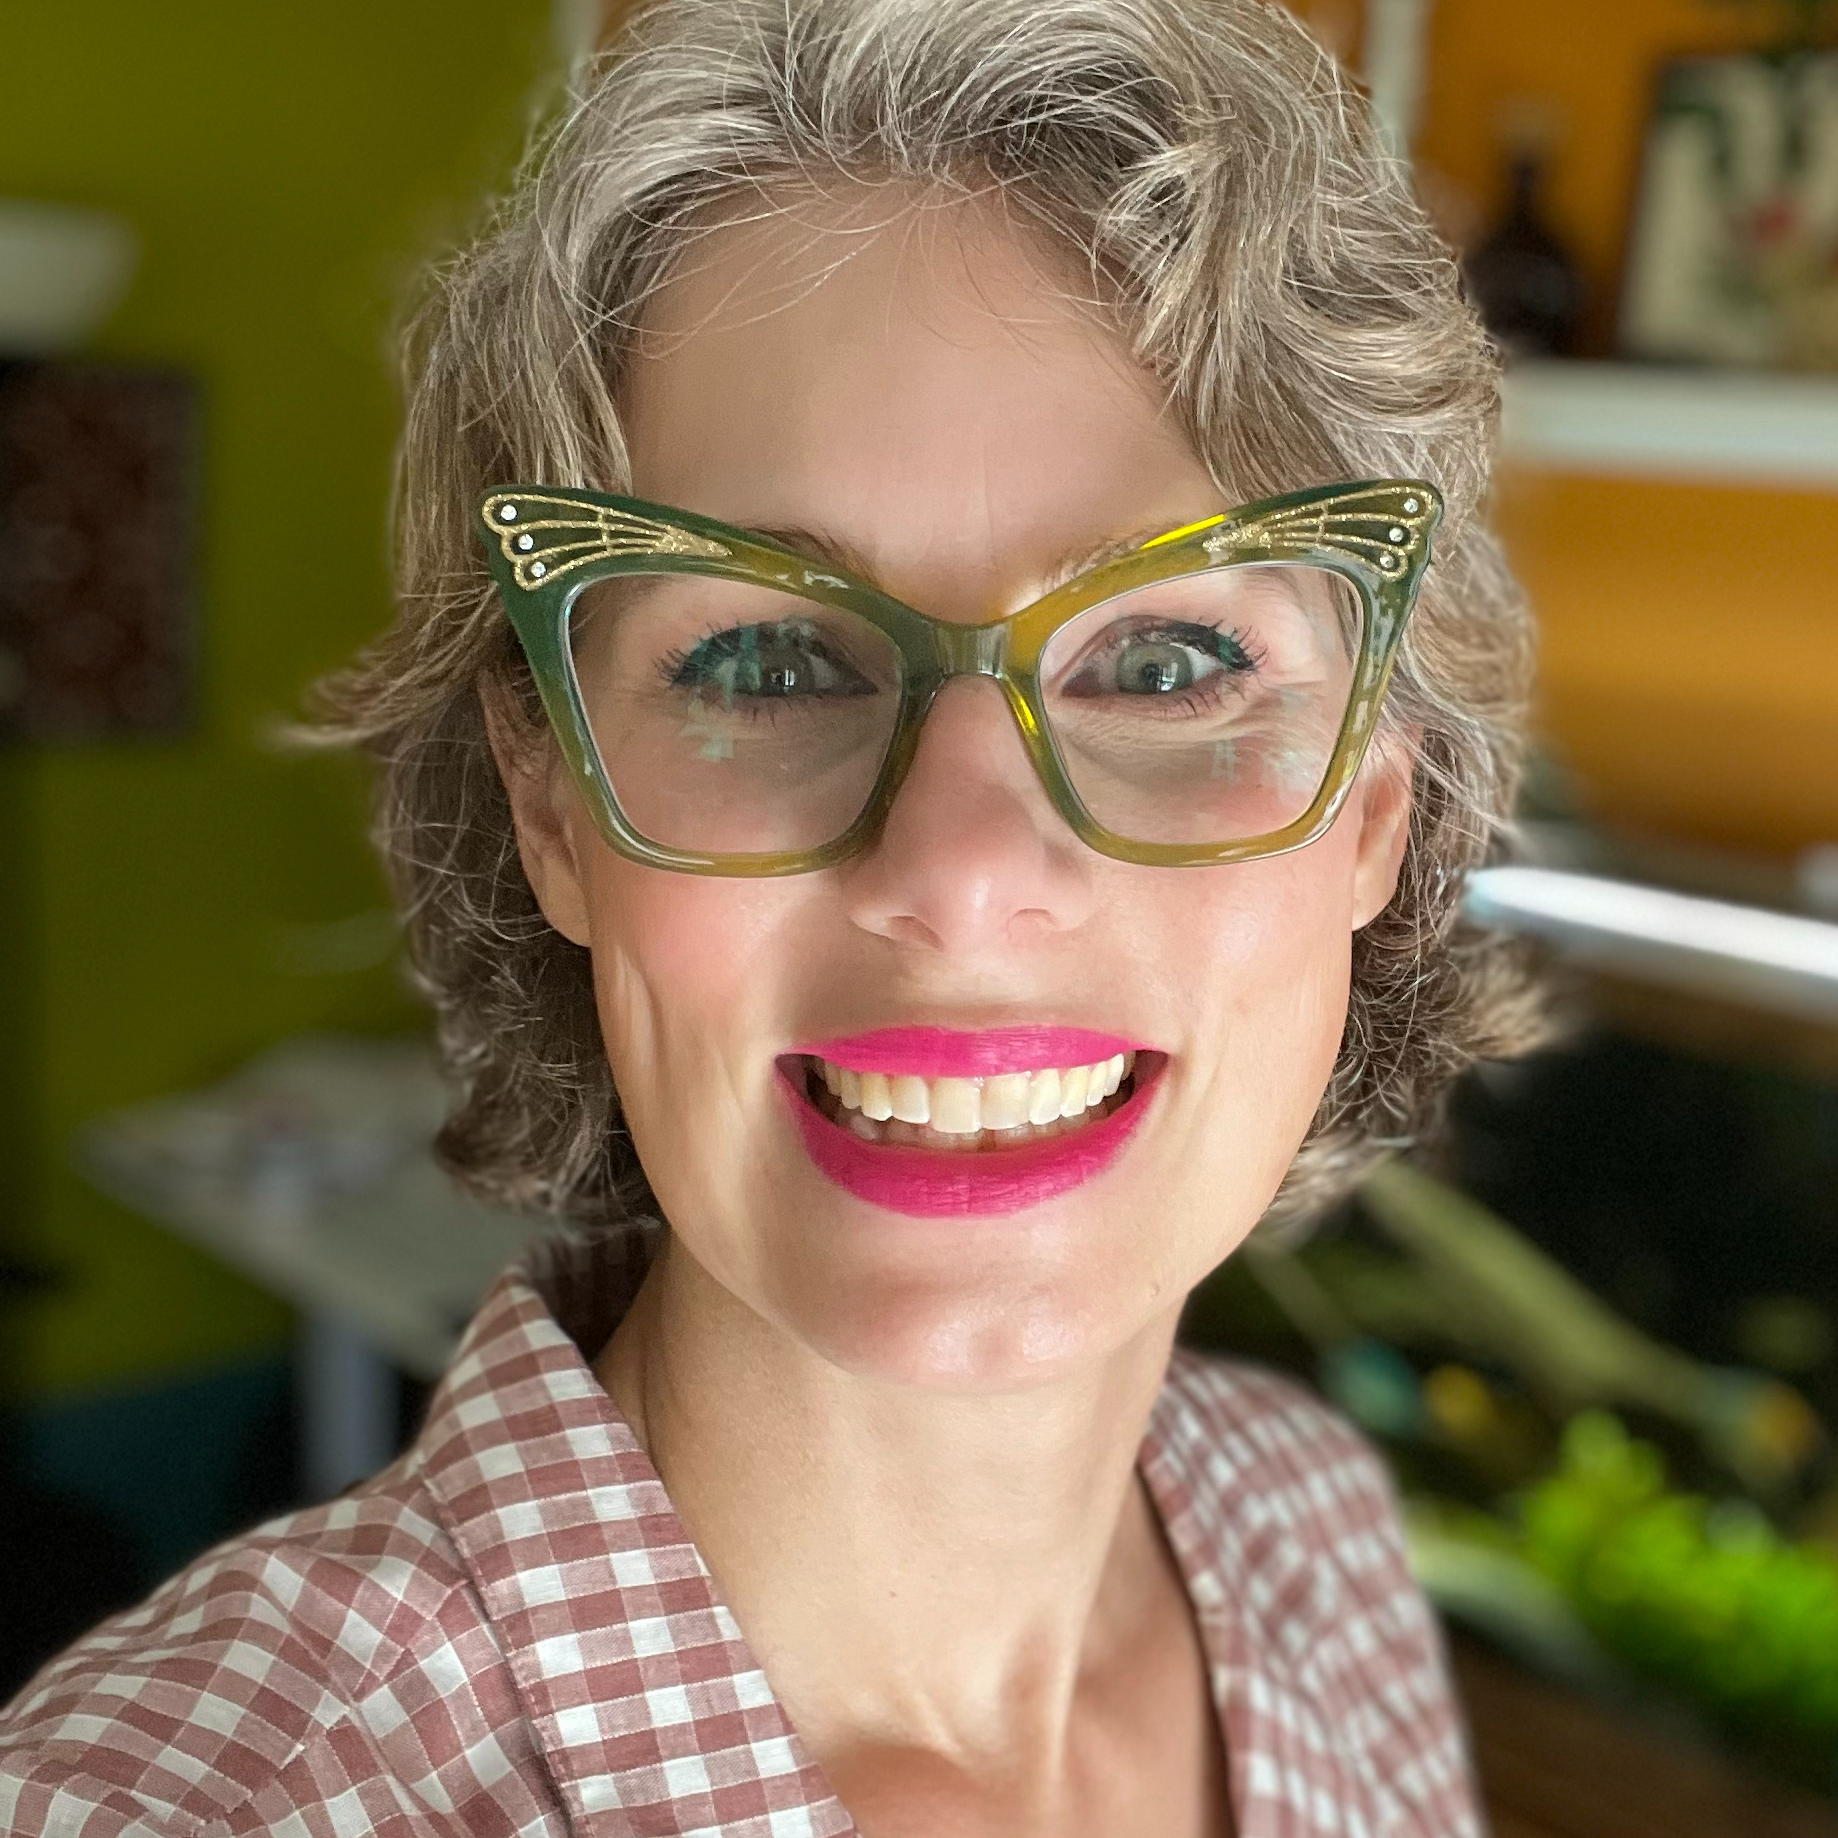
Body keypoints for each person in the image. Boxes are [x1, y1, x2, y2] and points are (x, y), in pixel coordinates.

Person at [0, 0, 1540, 1831]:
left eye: (1168, 658)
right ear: (550, 803)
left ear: (1375, 806)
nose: (959, 876)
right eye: (759, 656)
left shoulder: (1314, 1535)